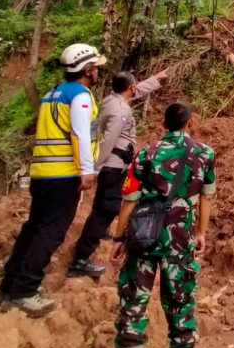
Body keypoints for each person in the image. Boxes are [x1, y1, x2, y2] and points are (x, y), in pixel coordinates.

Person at [110, 102, 215, 348]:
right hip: (180, 241)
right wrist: (202, 233)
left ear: (163, 125)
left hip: (144, 237)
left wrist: (119, 239)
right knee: (180, 299)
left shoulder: (147, 152)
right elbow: (207, 197)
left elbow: (129, 199)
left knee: (133, 302)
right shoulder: (204, 154)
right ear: (191, 123)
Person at [0, 43, 106, 317]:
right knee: (50, 232)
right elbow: (80, 134)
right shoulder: (80, 96)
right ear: (88, 70)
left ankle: (8, 287)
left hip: (42, 173)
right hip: (63, 174)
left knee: (33, 228)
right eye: (96, 69)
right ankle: (24, 291)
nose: (98, 73)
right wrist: (86, 170)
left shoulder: (52, 94)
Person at [67, 68, 169, 278]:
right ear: (129, 87)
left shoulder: (111, 100)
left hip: (113, 164)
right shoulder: (120, 111)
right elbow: (108, 140)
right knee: (107, 208)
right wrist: (94, 168)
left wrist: (155, 80)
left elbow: (135, 91)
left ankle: (97, 233)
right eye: (134, 85)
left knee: (102, 204)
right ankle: (81, 258)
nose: (136, 88)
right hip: (113, 164)